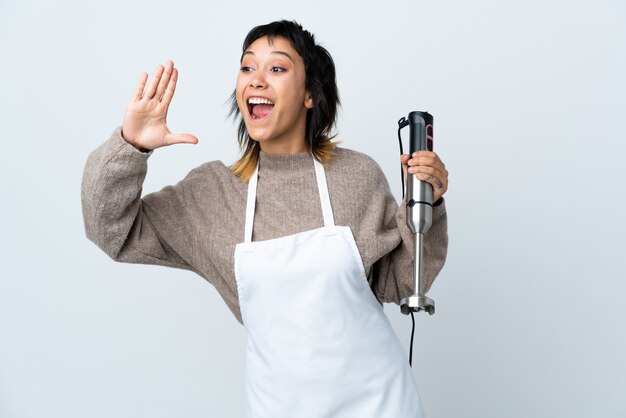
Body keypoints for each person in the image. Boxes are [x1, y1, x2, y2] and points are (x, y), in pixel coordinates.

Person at [82, 20, 448, 418]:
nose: (256, 80)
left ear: (310, 94)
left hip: (380, 406)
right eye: (246, 68)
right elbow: (111, 230)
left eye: (276, 68)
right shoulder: (213, 194)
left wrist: (428, 203)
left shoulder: (356, 176)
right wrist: (130, 146)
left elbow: (400, 281)